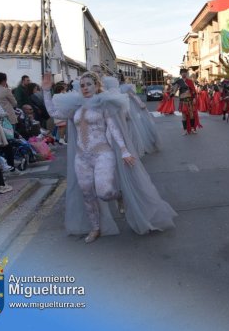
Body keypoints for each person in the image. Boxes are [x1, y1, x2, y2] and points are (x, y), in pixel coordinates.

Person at [42, 71, 176, 243]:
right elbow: (54, 112)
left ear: (97, 86)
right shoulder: (76, 107)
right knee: (87, 194)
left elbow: (113, 129)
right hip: (82, 157)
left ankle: (118, 195)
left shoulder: (103, 105)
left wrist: (124, 150)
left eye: (89, 84)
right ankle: (96, 228)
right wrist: (46, 91)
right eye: (82, 85)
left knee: (104, 192)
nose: (85, 88)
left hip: (102, 153)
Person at [120, 82, 161, 156]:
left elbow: (133, 96)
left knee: (135, 128)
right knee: (139, 127)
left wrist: (140, 104)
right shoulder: (126, 87)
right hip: (130, 109)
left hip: (129, 109)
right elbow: (134, 96)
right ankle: (139, 146)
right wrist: (140, 104)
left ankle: (137, 147)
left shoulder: (121, 89)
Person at [172, 69, 202, 135]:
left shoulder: (190, 81)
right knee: (184, 116)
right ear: (180, 74)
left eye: (185, 72)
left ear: (186, 73)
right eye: (182, 73)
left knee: (191, 115)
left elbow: (193, 90)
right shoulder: (179, 82)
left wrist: (194, 98)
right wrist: (172, 93)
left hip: (190, 100)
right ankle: (185, 130)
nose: (184, 74)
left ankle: (192, 129)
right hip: (183, 101)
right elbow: (175, 89)